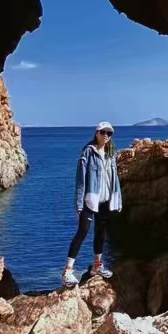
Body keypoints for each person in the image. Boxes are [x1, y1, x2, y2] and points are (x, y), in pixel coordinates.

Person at [62, 121, 121, 286]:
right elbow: (81, 180)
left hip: (105, 200)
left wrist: (117, 200)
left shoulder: (110, 152)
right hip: (90, 199)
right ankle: (67, 271)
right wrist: (79, 203)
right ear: (97, 133)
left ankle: (97, 266)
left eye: (109, 133)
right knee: (82, 232)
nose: (106, 135)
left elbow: (114, 178)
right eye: (103, 132)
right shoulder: (88, 152)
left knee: (100, 233)